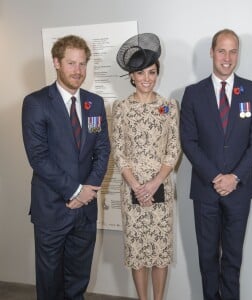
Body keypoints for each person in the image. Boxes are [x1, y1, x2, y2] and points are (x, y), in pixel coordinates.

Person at [180, 29, 252, 300]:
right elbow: (189, 141)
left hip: (239, 190)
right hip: (206, 190)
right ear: (212, 52)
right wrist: (217, 176)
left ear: (238, 54)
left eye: (233, 51)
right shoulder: (193, 94)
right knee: (207, 258)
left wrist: (234, 177)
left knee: (232, 258)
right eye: (222, 50)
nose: (227, 57)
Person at [22, 35, 110, 300]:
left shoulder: (94, 104)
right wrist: (75, 191)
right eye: (71, 63)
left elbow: (102, 150)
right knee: (50, 283)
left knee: (78, 279)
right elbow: (38, 158)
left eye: (82, 64)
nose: (78, 71)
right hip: (52, 209)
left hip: (85, 211)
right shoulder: (36, 103)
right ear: (56, 63)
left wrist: (87, 193)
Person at [112, 33, 181, 300]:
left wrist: (153, 184)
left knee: (160, 254)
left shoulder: (168, 107)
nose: (146, 78)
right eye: (140, 73)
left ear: (158, 73)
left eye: (152, 72)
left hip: (161, 187)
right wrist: (137, 186)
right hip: (132, 190)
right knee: (138, 253)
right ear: (131, 76)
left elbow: (173, 149)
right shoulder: (121, 108)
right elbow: (118, 152)